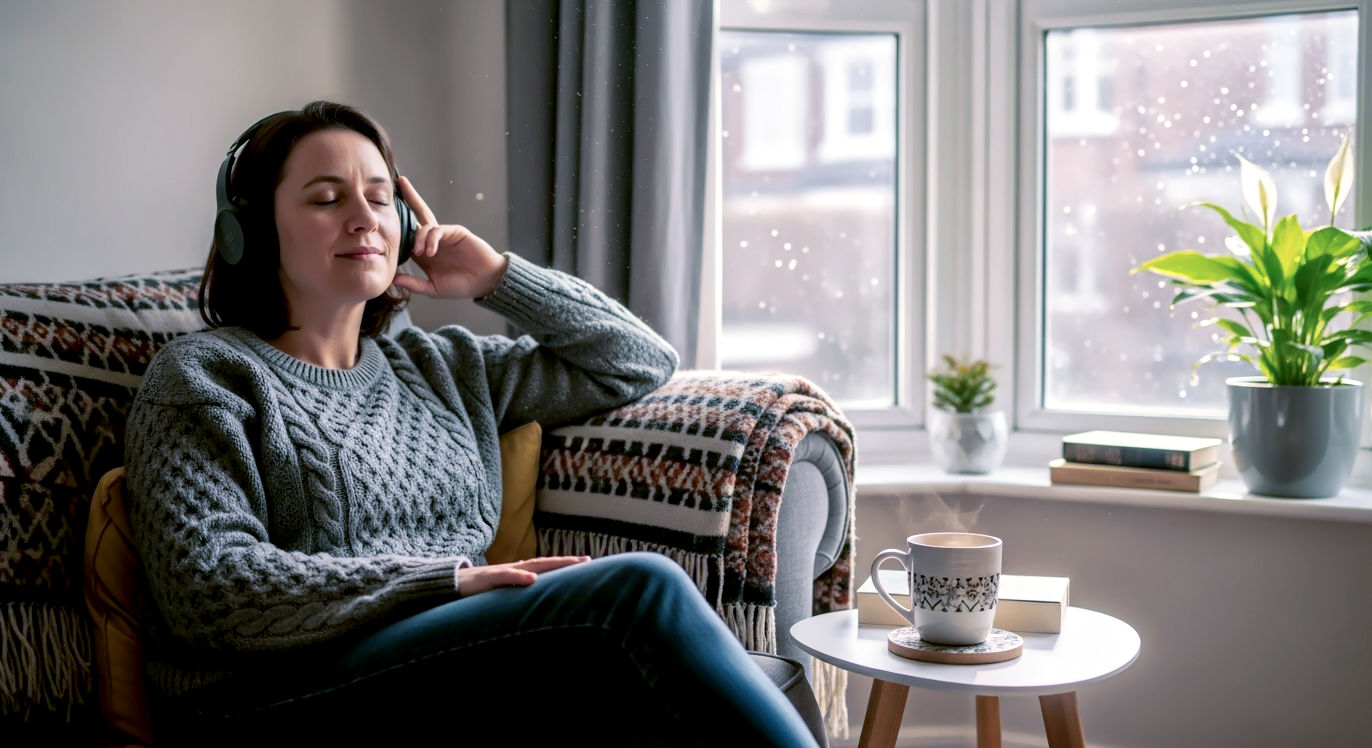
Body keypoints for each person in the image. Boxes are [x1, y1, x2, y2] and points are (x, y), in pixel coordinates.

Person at [124, 101, 820, 747]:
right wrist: (446, 582)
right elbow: (209, 589)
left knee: (752, 674)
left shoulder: (443, 367)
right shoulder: (204, 375)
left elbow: (635, 360)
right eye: (326, 199)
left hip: (448, 660)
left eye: (379, 196)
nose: (364, 218)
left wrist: (495, 278)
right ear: (246, 231)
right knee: (643, 591)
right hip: (274, 695)